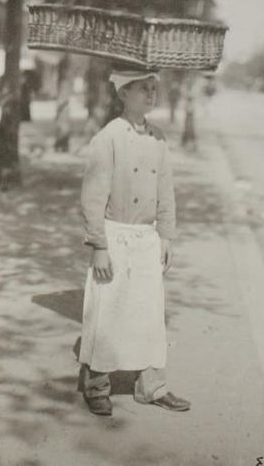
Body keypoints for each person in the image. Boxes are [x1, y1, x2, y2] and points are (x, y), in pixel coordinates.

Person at [79, 68, 191, 416]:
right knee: (108, 310)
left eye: (153, 89)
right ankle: (97, 384)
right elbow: (92, 197)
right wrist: (99, 245)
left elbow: (165, 192)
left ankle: (152, 386)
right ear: (123, 93)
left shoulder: (158, 139)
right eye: (143, 89)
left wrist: (167, 235)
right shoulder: (108, 137)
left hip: (146, 237)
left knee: (149, 311)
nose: (151, 95)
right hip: (114, 235)